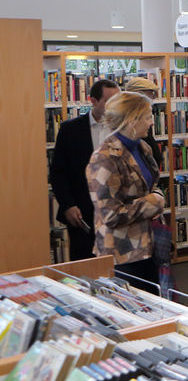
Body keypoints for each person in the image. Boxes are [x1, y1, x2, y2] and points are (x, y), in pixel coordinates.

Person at [86, 91, 165, 293]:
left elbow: (149, 185)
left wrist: (155, 197)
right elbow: (110, 214)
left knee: (156, 307)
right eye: (148, 117)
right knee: (135, 312)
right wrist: (153, 202)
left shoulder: (142, 147)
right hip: (123, 251)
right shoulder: (104, 158)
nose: (151, 122)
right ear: (132, 120)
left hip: (148, 244)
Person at [50, 79, 120, 261]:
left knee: (118, 269)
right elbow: (58, 173)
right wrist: (68, 205)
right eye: (109, 101)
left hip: (117, 212)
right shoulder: (70, 130)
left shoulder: (123, 128)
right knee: (85, 266)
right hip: (83, 214)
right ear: (93, 101)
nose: (115, 106)